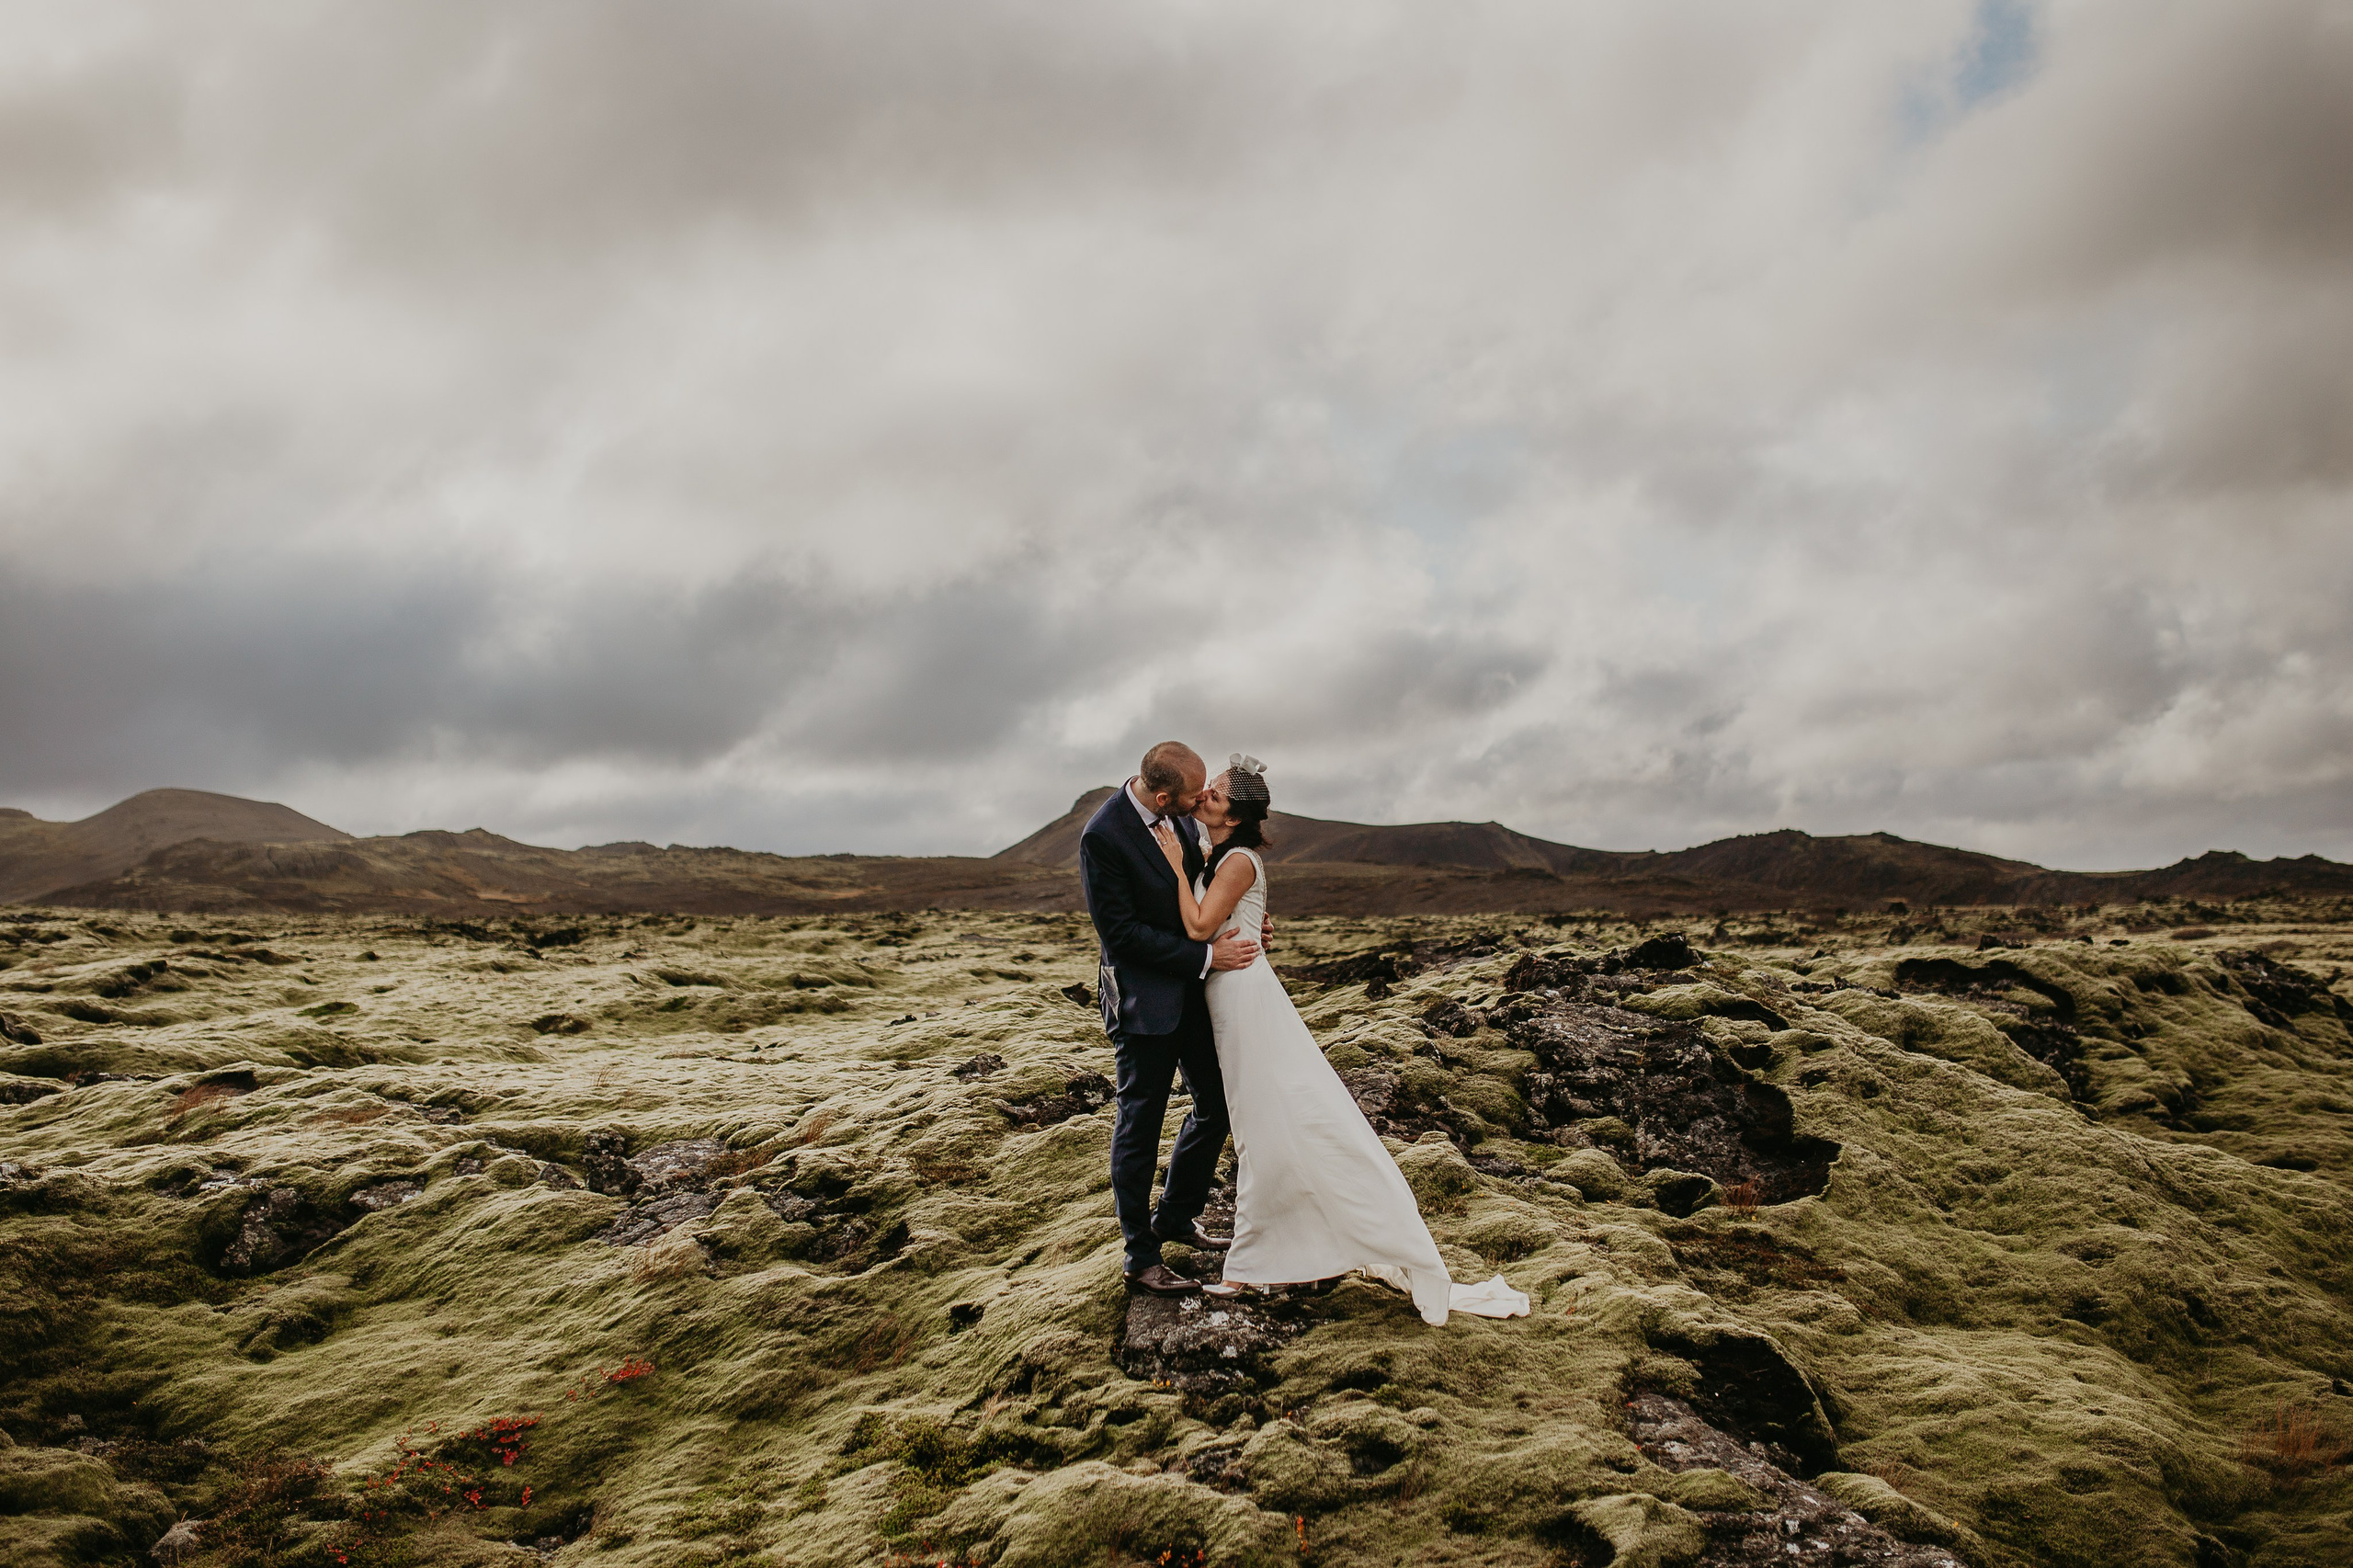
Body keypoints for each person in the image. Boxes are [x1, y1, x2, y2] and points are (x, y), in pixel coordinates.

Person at [1152, 754, 1529, 1325]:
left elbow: (1201, 927)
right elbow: (1222, 920)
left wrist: (1179, 870)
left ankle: (1252, 1267)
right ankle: (1283, 1256)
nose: (1204, 794)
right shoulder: (1220, 854)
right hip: (1230, 996)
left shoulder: (1235, 860)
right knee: (1270, 1124)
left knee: (1264, 1126)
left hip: (1244, 1000)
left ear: (1234, 814)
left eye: (1217, 793)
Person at [1076, 742, 1265, 1298]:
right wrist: (1208, 956)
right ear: (1163, 797)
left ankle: (1176, 1216)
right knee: (1140, 1125)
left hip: (1196, 997)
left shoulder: (1179, 820)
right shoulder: (1103, 836)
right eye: (1192, 795)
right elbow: (1122, 936)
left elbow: (1200, 892)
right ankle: (1140, 1256)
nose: (1201, 800)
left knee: (1217, 1103)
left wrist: (1243, 928)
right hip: (1143, 1004)